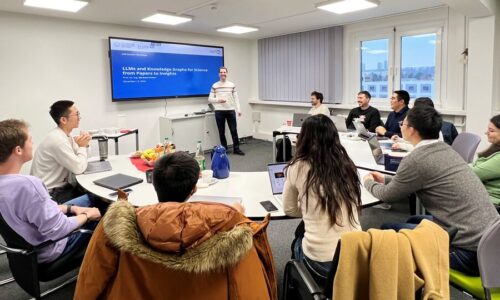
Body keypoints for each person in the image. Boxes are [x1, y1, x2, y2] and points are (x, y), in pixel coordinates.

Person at [74, 152, 276, 299]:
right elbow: (251, 288)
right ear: (194, 188)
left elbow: (91, 280)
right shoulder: (232, 230)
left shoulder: (117, 225)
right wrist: (237, 217)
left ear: (153, 183)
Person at [363, 106, 500, 276]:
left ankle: (408, 284)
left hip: (472, 254)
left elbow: (388, 196)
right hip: (492, 241)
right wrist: (386, 179)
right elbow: (422, 180)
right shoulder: (446, 150)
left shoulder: (417, 159)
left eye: (403, 123)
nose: (401, 126)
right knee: (415, 219)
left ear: (412, 130)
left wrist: (367, 181)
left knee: (387, 229)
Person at [0, 119, 101, 264]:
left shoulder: (9, 185)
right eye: (30, 140)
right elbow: (59, 229)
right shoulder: (28, 185)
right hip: (50, 247)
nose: (33, 144)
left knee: (91, 198)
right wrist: (86, 214)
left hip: (28, 246)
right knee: (106, 213)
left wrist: (73, 208)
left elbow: (36, 211)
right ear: (18, 150)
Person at [282, 114, 362, 279]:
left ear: (303, 137)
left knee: (297, 239)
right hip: (358, 254)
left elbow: (289, 209)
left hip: (324, 264)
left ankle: (299, 286)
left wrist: (310, 210)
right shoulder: (347, 164)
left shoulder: (298, 166)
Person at [30, 100, 91, 203]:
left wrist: (85, 145)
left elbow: (82, 160)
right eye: (77, 114)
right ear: (63, 120)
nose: (79, 117)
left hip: (60, 189)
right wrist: (83, 147)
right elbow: (78, 168)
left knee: (91, 193)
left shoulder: (66, 135)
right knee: (95, 199)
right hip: (50, 195)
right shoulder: (58, 140)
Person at [208, 66, 245, 155]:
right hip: (219, 111)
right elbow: (210, 99)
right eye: (221, 72)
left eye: (224, 72)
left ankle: (236, 149)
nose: (223, 74)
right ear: (219, 74)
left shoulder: (231, 85)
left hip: (230, 110)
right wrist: (218, 100)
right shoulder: (215, 85)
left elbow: (236, 98)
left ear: (227, 73)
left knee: (234, 130)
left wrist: (238, 109)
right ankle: (224, 149)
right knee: (221, 132)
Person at [471, 114, 500, 211]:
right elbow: (475, 167)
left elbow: (474, 173)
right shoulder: (495, 148)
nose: (486, 133)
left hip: (491, 205)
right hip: (483, 197)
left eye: (491, 131)